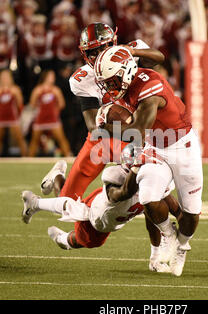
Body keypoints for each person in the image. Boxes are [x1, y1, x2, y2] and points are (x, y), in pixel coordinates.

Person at [62, 23, 166, 267]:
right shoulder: (82, 78)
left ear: (113, 43)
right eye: (93, 51)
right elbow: (92, 126)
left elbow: (159, 58)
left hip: (141, 132)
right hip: (105, 136)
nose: (98, 56)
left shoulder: (130, 51)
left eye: (104, 48)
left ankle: (157, 251)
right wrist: (126, 128)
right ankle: (60, 183)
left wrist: (130, 53)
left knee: (150, 191)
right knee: (66, 203)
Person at [94, 46, 203, 276]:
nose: (109, 86)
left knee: (191, 213)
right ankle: (168, 234)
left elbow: (138, 130)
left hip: (182, 146)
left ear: (125, 72)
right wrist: (129, 49)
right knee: (148, 197)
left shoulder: (150, 90)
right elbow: (160, 55)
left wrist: (107, 128)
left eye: (112, 81)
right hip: (156, 145)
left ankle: (182, 246)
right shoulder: (132, 76)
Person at [21, 145, 180, 273]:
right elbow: (123, 193)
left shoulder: (153, 183)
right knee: (80, 226)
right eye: (144, 165)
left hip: (112, 218)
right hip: (97, 212)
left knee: (86, 230)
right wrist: (137, 171)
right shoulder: (116, 177)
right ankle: (42, 211)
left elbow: (155, 216)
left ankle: (54, 180)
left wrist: (160, 253)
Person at [28, 70, 71, 157]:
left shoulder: (56, 90)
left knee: (61, 139)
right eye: (51, 76)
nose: (53, 78)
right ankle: (29, 158)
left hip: (53, 119)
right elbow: (32, 104)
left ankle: (68, 156)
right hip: (40, 119)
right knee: (35, 140)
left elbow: (62, 104)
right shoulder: (38, 89)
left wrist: (55, 110)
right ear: (46, 77)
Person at [0, 69, 27, 157]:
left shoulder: (15, 89)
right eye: (3, 77)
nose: (5, 79)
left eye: (6, 77)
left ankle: (26, 157)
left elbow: (20, 104)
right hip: (1, 117)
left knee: (19, 138)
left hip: (13, 117)